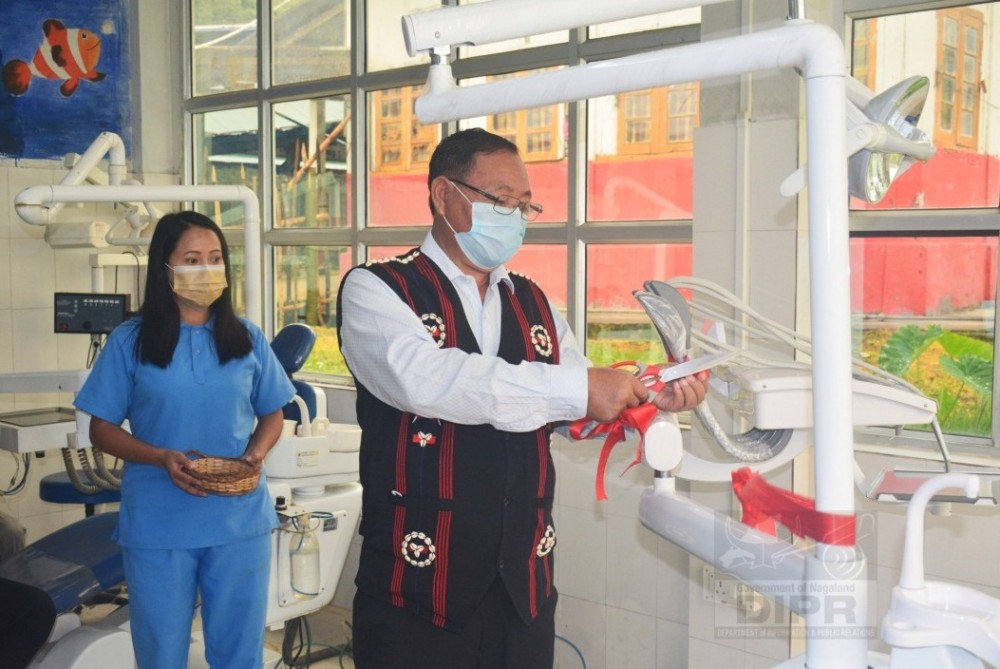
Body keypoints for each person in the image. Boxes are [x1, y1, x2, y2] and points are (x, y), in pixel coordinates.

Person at [337, 128, 709, 669]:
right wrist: (578, 388)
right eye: (500, 200)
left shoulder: (534, 303)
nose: (513, 216)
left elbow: (572, 410)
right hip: (417, 587)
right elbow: (431, 380)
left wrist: (647, 401)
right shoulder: (379, 290)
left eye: (523, 205)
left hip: (522, 588)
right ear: (444, 195)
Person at [73, 211, 295, 669]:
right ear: (166, 268)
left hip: (237, 519)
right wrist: (160, 457)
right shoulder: (130, 341)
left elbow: (272, 412)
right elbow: (101, 429)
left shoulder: (245, 337)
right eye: (192, 258)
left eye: (215, 258)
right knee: (161, 651)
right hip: (160, 521)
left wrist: (253, 456)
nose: (206, 269)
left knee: (239, 652)